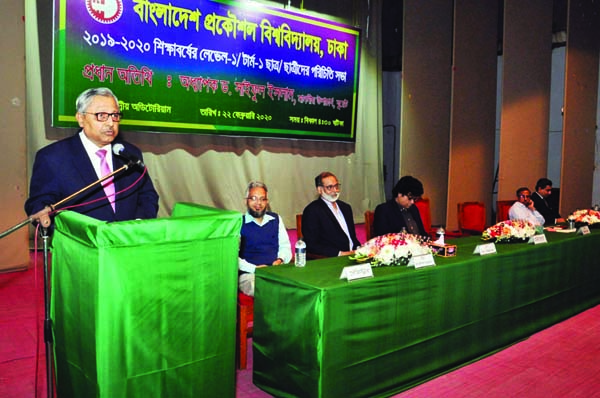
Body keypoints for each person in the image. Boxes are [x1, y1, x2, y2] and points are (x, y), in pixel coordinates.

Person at [25, 87, 159, 226]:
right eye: (101, 115)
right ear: (81, 119)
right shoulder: (53, 157)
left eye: (115, 115)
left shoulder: (130, 154)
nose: (110, 123)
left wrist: (137, 225)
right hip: (81, 244)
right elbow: (39, 204)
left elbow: (147, 196)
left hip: (128, 242)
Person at [238, 181, 292, 296]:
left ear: (267, 202)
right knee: (265, 289)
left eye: (263, 199)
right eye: (254, 198)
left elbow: (285, 246)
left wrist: (280, 259)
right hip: (250, 274)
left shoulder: (275, 219)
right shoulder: (238, 223)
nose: (259, 203)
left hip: (275, 271)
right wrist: (255, 268)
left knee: (299, 287)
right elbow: (233, 258)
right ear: (246, 201)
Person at [301, 172, 361, 257]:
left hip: (354, 256)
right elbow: (312, 244)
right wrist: (340, 254)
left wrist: (360, 248)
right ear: (320, 190)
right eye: (329, 187)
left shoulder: (346, 208)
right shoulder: (312, 211)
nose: (335, 190)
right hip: (330, 258)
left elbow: (352, 238)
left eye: (336, 186)